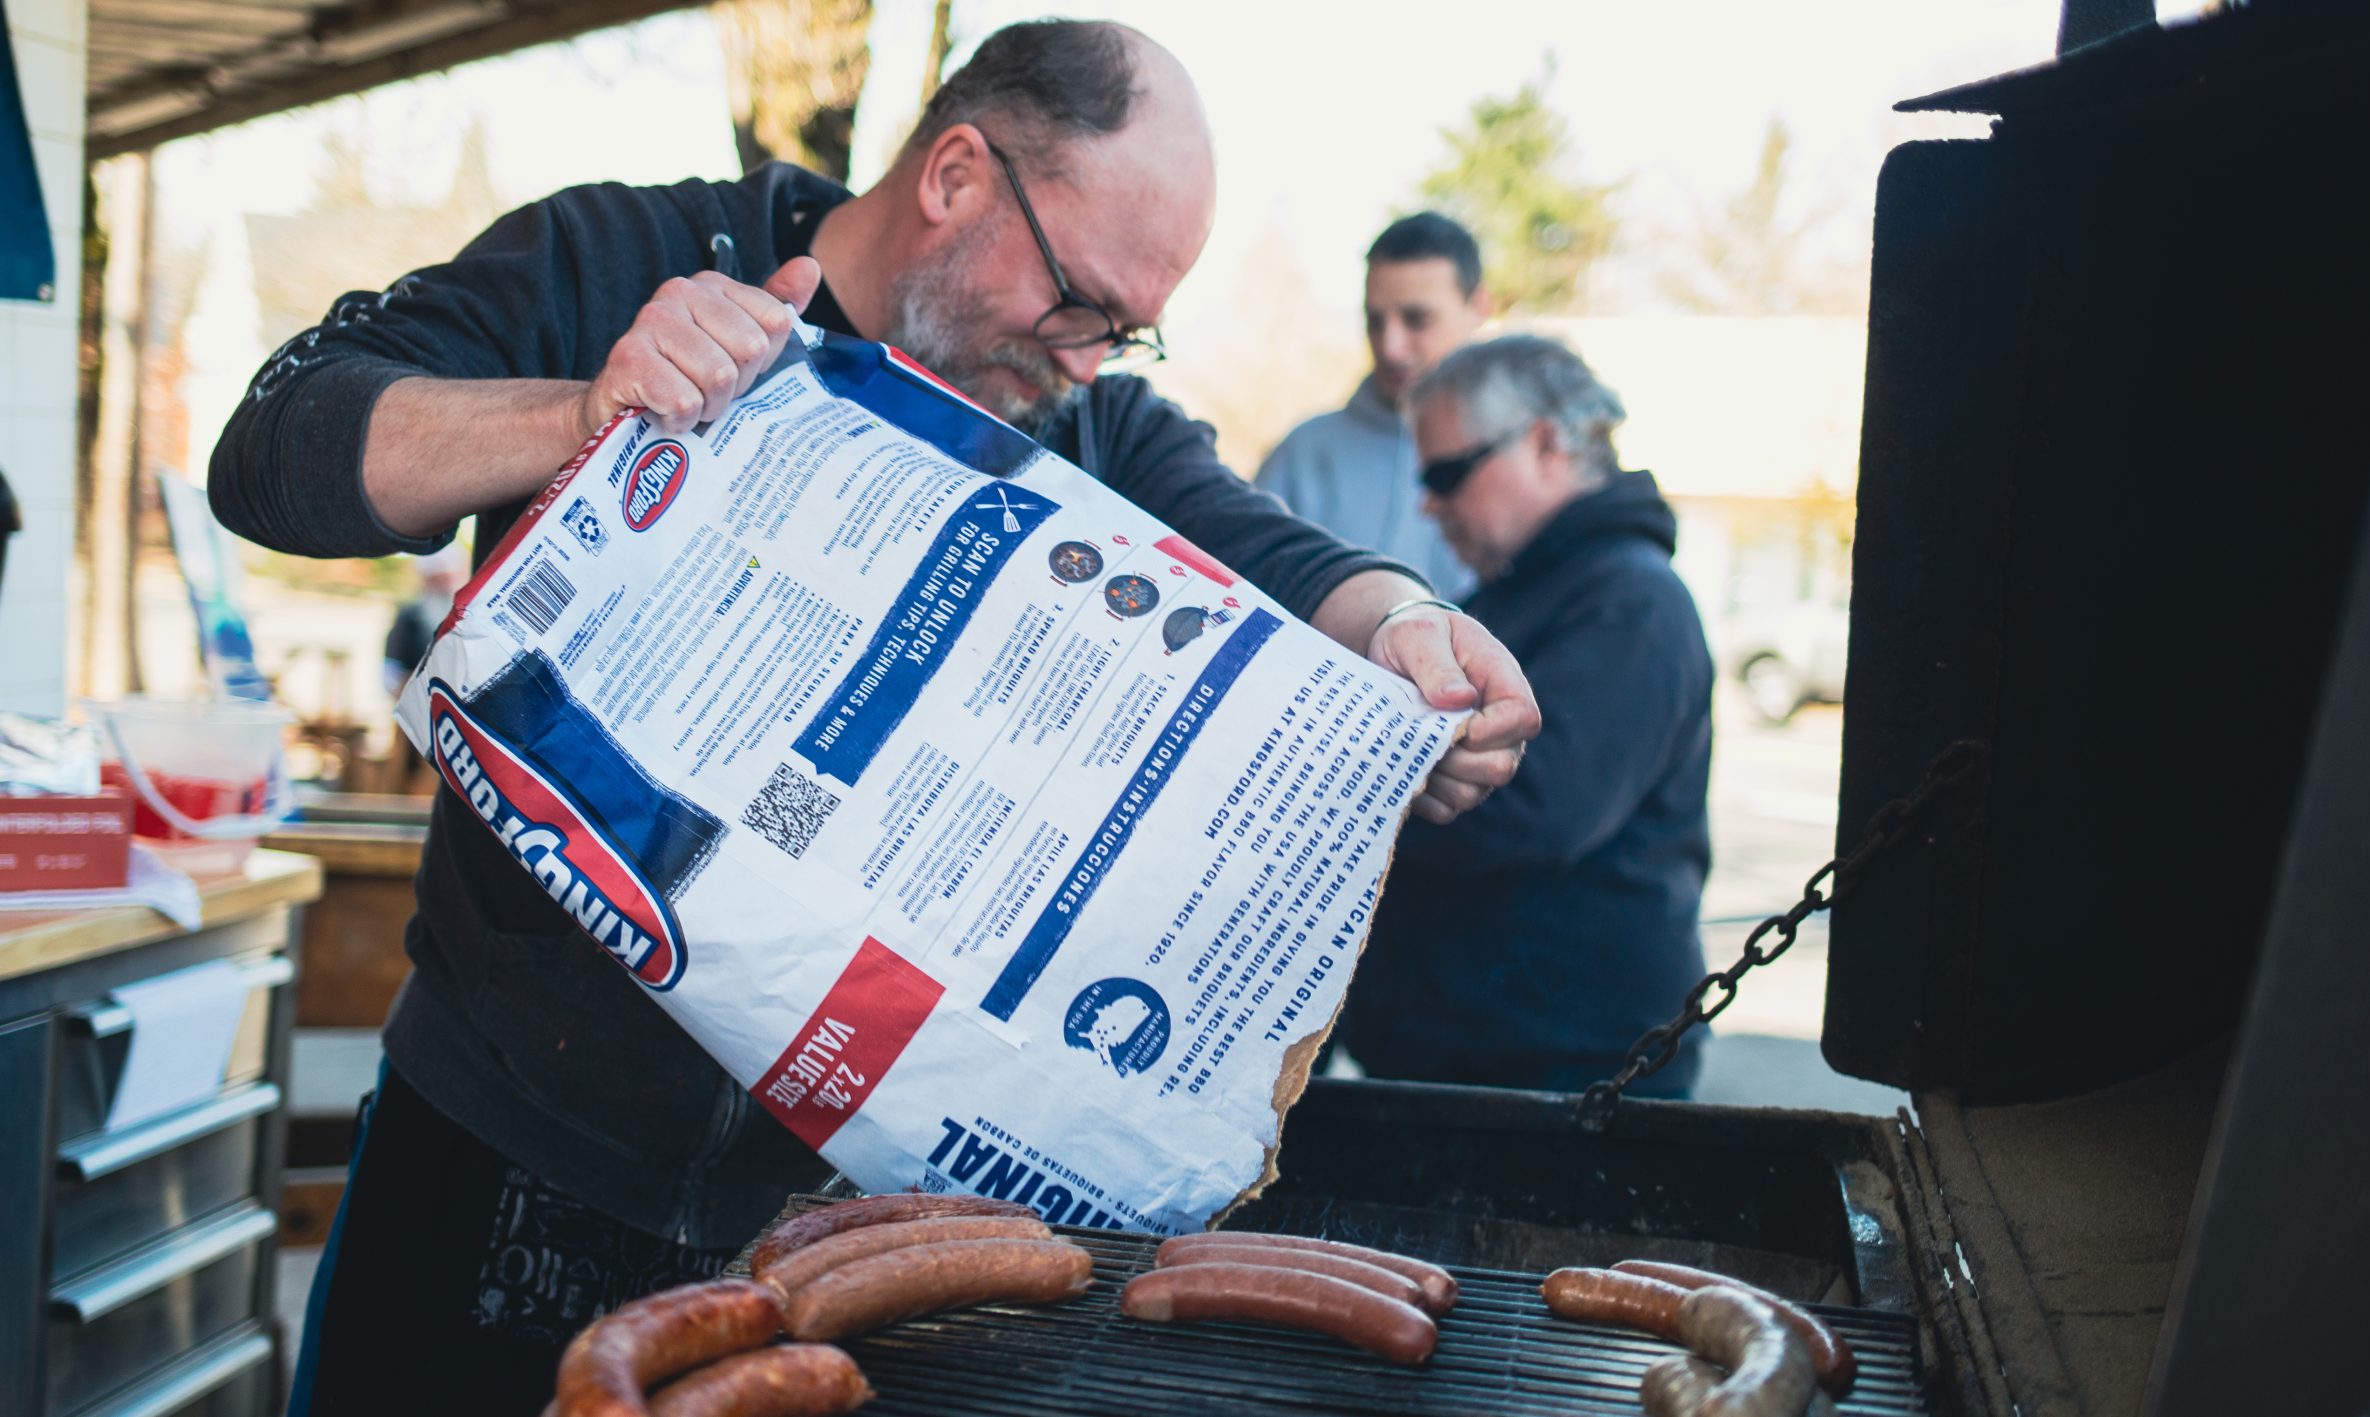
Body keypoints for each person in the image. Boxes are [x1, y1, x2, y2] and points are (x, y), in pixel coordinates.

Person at [208, 21, 1538, 1414]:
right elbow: (276, 447)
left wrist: (1410, 633)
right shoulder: (618, 256)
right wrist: (583, 414)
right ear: (957, 174)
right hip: (498, 1149)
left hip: (841, 1233)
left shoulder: (1093, 429)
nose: (1092, 360)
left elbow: (1293, 563)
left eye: (1127, 328)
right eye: (1079, 300)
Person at [1337, 334, 1714, 1097]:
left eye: (1448, 473)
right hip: (1472, 1059)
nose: (1429, 501)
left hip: (1570, 1073)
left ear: (1546, 444)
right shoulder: (1523, 592)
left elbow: (1532, 808)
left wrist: (1342, 780)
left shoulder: (1632, 601)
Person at [1257, 212, 1487, 599]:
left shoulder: (1527, 460)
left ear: (1479, 307)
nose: (1390, 347)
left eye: (1417, 319)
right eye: (1375, 321)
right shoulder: (1302, 456)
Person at [378, 544, 468, 696]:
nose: (445, 584)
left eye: (449, 578)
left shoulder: (470, 616)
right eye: (439, 579)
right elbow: (392, 674)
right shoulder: (410, 619)